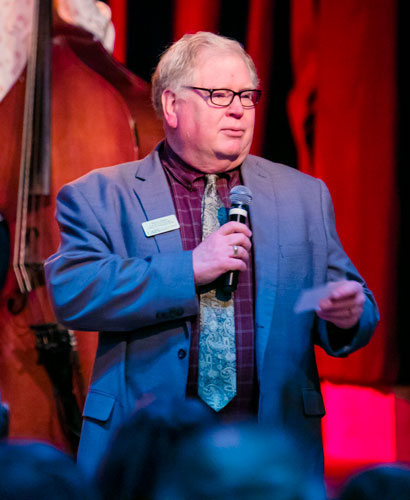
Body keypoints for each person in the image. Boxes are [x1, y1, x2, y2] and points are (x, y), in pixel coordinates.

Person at [44, 31, 379, 479]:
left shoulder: (304, 195)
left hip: (269, 450)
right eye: (219, 94)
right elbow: (74, 289)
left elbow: (350, 302)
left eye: (247, 96)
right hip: (145, 451)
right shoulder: (101, 195)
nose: (238, 109)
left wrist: (348, 314)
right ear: (171, 106)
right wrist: (190, 269)